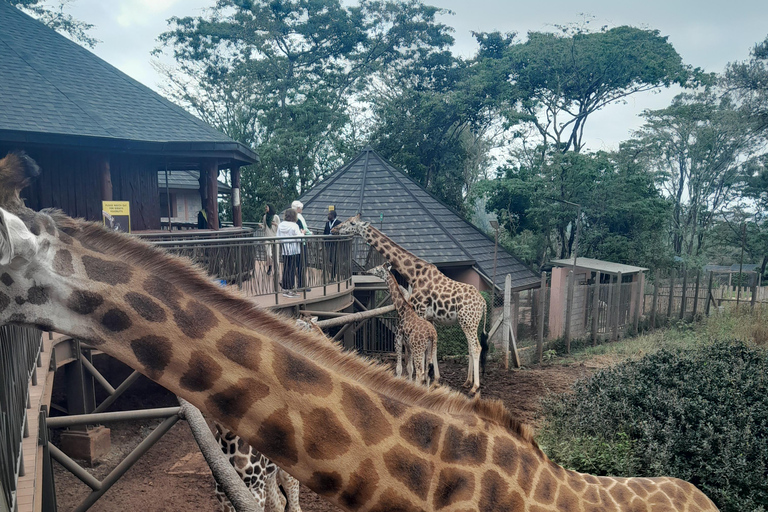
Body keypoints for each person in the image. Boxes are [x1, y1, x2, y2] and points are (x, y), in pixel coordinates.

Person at [276, 209, 301, 297]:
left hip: (285, 250)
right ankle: (290, 289)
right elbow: (299, 238)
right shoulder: (294, 225)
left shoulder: (281, 225)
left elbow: (278, 237)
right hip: (294, 250)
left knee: (286, 268)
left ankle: (285, 288)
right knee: (292, 269)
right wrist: (303, 234)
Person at [323, 208, 342, 280]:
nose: (328, 216)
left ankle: (333, 275)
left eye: (329, 215)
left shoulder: (338, 223)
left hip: (335, 244)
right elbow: (324, 233)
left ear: (333, 215)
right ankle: (328, 274)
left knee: (334, 259)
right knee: (329, 258)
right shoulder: (327, 223)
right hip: (328, 243)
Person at [261, 204, 279, 275]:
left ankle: (276, 270)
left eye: (267, 207)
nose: (266, 208)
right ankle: (270, 266)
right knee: (268, 254)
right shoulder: (265, 217)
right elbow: (264, 226)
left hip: (275, 237)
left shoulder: (276, 217)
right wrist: (261, 226)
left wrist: (275, 224)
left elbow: (279, 226)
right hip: (267, 237)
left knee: (276, 255)